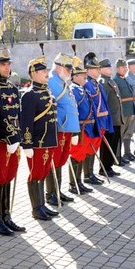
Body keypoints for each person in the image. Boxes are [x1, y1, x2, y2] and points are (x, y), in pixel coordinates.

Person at [0, 48, 24, 233]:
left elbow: (18, 115)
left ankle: (6, 214)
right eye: (3, 64)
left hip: (14, 141)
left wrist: (19, 139)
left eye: (8, 63)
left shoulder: (12, 87)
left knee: (9, 177)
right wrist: (10, 137)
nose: (7, 67)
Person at [20, 54, 59, 220]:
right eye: (43, 71)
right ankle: (36, 208)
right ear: (33, 73)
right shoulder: (30, 95)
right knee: (35, 175)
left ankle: (42, 205)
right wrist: (27, 144)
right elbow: (26, 122)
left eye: (46, 70)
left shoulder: (47, 91)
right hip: (37, 143)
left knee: (43, 174)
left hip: (49, 141)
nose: (46, 73)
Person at [45, 53, 79, 206]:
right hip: (59, 128)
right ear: (59, 67)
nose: (71, 71)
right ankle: (51, 193)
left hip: (66, 128)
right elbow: (51, 106)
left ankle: (58, 189)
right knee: (54, 160)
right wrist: (60, 123)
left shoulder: (61, 81)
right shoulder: (52, 80)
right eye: (68, 68)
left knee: (61, 160)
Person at [82, 52, 112, 183]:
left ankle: (90, 173)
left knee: (93, 150)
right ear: (88, 70)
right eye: (96, 69)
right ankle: (87, 175)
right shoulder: (87, 84)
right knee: (88, 150)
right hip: (93, 124)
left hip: (101, 122)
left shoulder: (96, 84)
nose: (99, 71)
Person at [68, 61, 94, 195]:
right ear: (74, 76)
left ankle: (79, 182)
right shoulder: (73, 90)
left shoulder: (83, 88)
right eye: (82, 74)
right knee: (76, 155)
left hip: (87, 127)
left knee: (82, 155)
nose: (85, 76)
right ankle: (73, 184)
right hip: (80, 127)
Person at [98, 58, 123, 176]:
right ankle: (103, 168)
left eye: (110, 67)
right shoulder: (102, 82)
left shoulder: (110, 81)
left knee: (113, 144)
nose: (111, 69)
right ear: (101, 69)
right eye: (108, 68)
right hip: (109, 120)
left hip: (116, 119)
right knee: (106, 146)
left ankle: (109, 166)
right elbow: (103, 103)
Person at [113, 59, 135, 164]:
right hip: (122, 112)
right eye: (123, 67)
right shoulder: (115, 80)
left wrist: (132, 111)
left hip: (128, 111)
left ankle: (126, 153)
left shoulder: (124, 79)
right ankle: (117, 157)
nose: (125, 69)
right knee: (119, 135)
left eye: (125, 67)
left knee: (127, 133)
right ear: (117, 68)